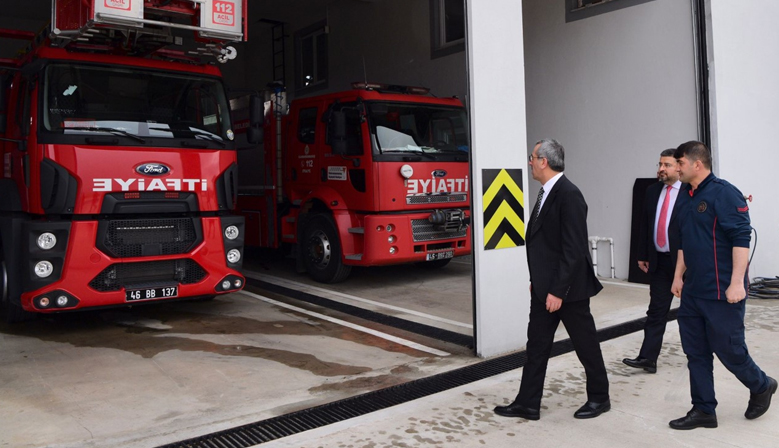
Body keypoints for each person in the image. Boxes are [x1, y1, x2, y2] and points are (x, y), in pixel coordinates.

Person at [494, 138, 609, 421]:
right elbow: (545, 245)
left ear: (544, 161)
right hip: (545, 289)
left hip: (568, 291)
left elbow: (574, 249)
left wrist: (558, 290)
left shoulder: (569, 194)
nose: (530, 162)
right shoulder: (546, 192)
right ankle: (527, 403)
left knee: (586, 345)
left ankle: (599, 397)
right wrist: (540, 281)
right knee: (537, 347)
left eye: (532, 157)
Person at [669, 140, 776, 430]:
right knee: (696, 352)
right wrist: (679, 276)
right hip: (693, 291)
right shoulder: (686, 195)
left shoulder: (724, 194)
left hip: (721, 292)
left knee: (729, 350)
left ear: (696, 164)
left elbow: (742, 238)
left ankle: (761, 385)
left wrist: (737, 284)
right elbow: (684, 242)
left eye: (679, 163)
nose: (676, 168)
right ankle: (703, 409)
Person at [623, 149, 682, 373]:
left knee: (691, 312)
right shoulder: (652, 191)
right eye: (659, 164)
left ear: (679, 167)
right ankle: (648, 358)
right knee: (656, 311)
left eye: (666, 165)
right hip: (659, 262)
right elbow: (645, 224)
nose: (660, 169)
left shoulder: (690, 192)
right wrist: (642, 254)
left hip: (685, 264)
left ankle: (697, 353)